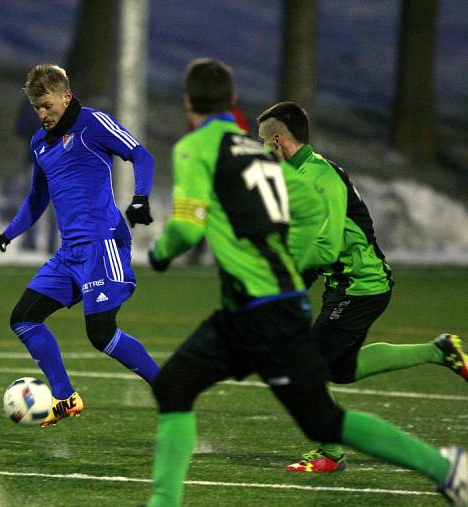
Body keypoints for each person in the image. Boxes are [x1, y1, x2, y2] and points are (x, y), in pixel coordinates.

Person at [144, 58, 466, 507]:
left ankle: (442, 467)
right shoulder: (255, 153)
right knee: (317, 413)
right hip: (269, 306)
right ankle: (447, 469)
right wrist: (283, 253)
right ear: (232, 102)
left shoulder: (198, 147)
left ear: (187, 104)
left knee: (182, 390)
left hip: (265, 309)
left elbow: (187, 229)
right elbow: (308, 214)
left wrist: (159, 252)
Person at [256, 101, 468, 473]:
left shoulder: (318, 178)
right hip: (347, 285)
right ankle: (440, 351)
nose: (259, 150)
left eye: (261, 142)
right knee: (342, 369)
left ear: (277, 140)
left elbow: (324, 245)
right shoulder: (297, 175)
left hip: (361, 285)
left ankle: (329, 452)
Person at [0, 64, 160, 427]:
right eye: (36, 107)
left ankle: (168, 389)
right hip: (69, 254)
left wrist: (141, 197)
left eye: (46, 105)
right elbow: (35, 199)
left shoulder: (93, 123)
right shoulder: (39, 143)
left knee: (101, 333)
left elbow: (141, 155)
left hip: (103, 243)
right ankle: (65, 397)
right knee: (24, 319)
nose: (41, 114)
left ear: (66, 96)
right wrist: (5, 236)